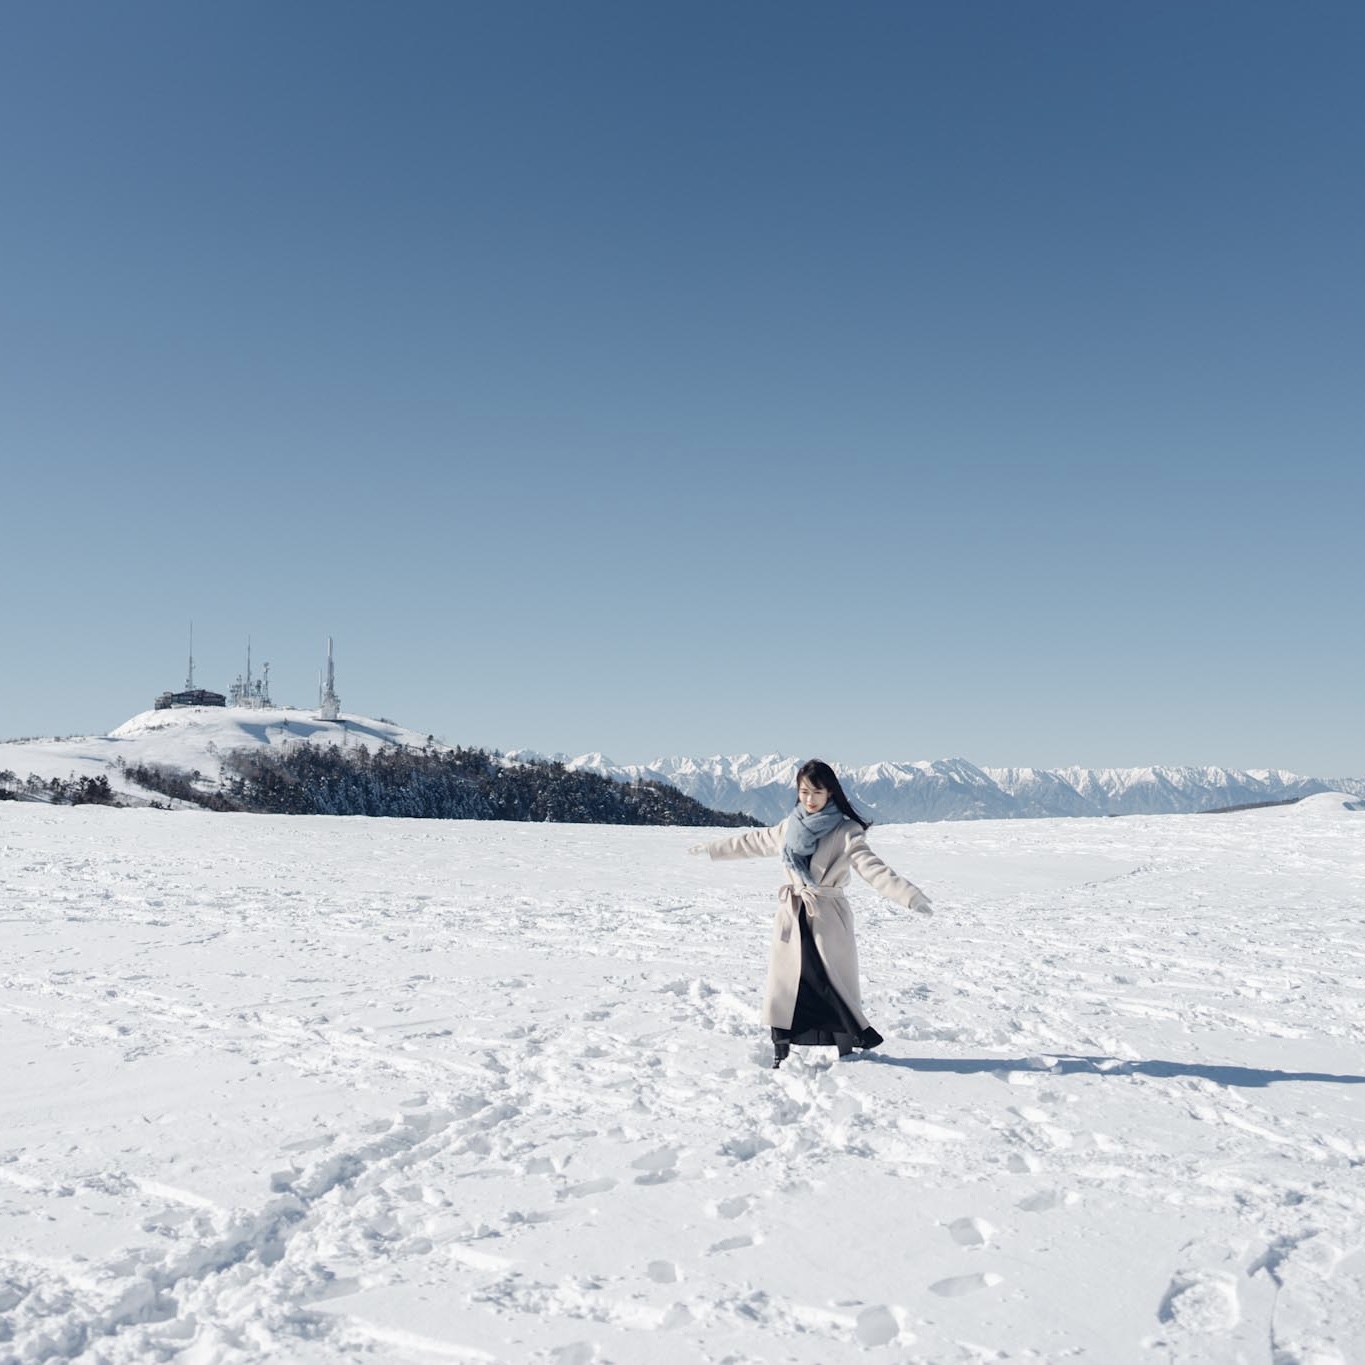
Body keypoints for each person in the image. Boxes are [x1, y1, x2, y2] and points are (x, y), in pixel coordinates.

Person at [690, 759, 932, 1069]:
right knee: (789, 986)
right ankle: (781, 1049)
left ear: (830, 792)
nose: (809, 799)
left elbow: (873, 868)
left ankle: (846, 1045)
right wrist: (711, 850)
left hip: (826, 917)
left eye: (816, 792)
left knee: (830, 982)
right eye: (804, 792)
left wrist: (909, 896)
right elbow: (753, 841)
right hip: (793, 915)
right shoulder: (790, 826)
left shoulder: (846, 830)